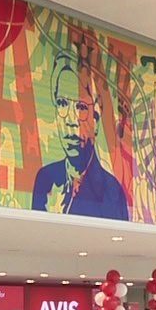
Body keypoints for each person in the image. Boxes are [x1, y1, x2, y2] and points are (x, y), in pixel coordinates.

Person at [31, 49, 130, 220]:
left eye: (81, 107)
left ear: (96, 119)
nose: (71, 120)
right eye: (62, 103)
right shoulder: (45, 179)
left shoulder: (112, 192)